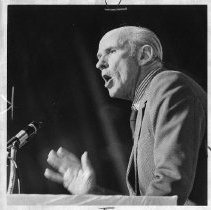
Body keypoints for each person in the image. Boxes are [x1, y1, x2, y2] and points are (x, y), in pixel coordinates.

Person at [44, 26, 207, 205]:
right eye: (98, 58)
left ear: (144, 55)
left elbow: (170, 185)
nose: (99, 64)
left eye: (111, 51)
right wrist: (92, 192)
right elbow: (145, 201)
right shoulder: (139, 110)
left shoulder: (167, 85)